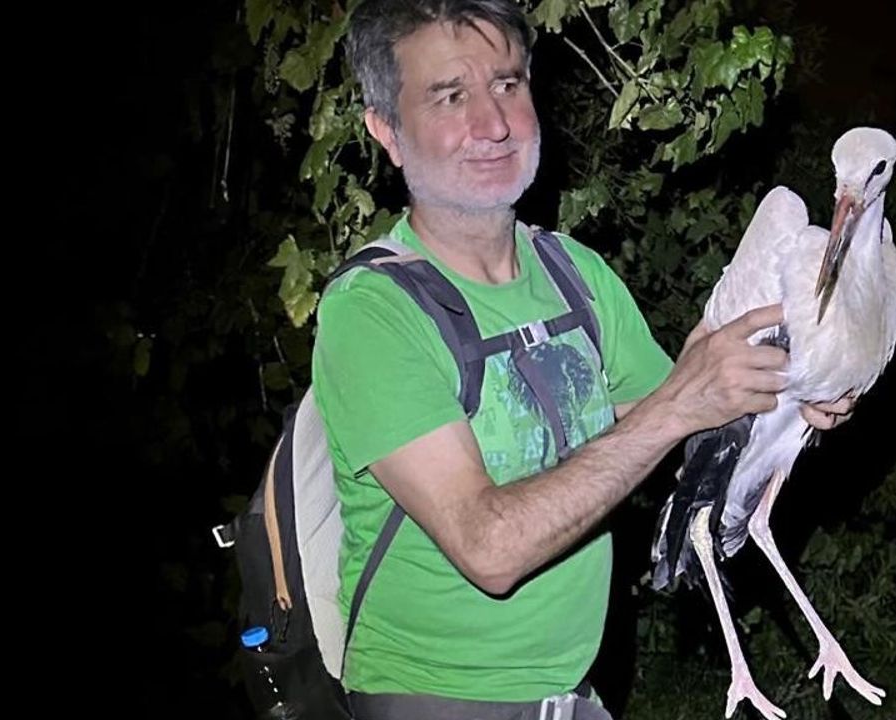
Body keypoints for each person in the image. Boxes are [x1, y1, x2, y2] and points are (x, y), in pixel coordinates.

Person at [315, 1, 856, 717]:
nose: (494, 124)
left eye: (507, 85)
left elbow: (684, 424)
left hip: (570, 693)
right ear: (387, 130)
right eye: (449, 96)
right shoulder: (371, 312)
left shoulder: (572, 273)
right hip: (437, 697)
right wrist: (681, 405)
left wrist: (794, 389)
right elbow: (488, 548)